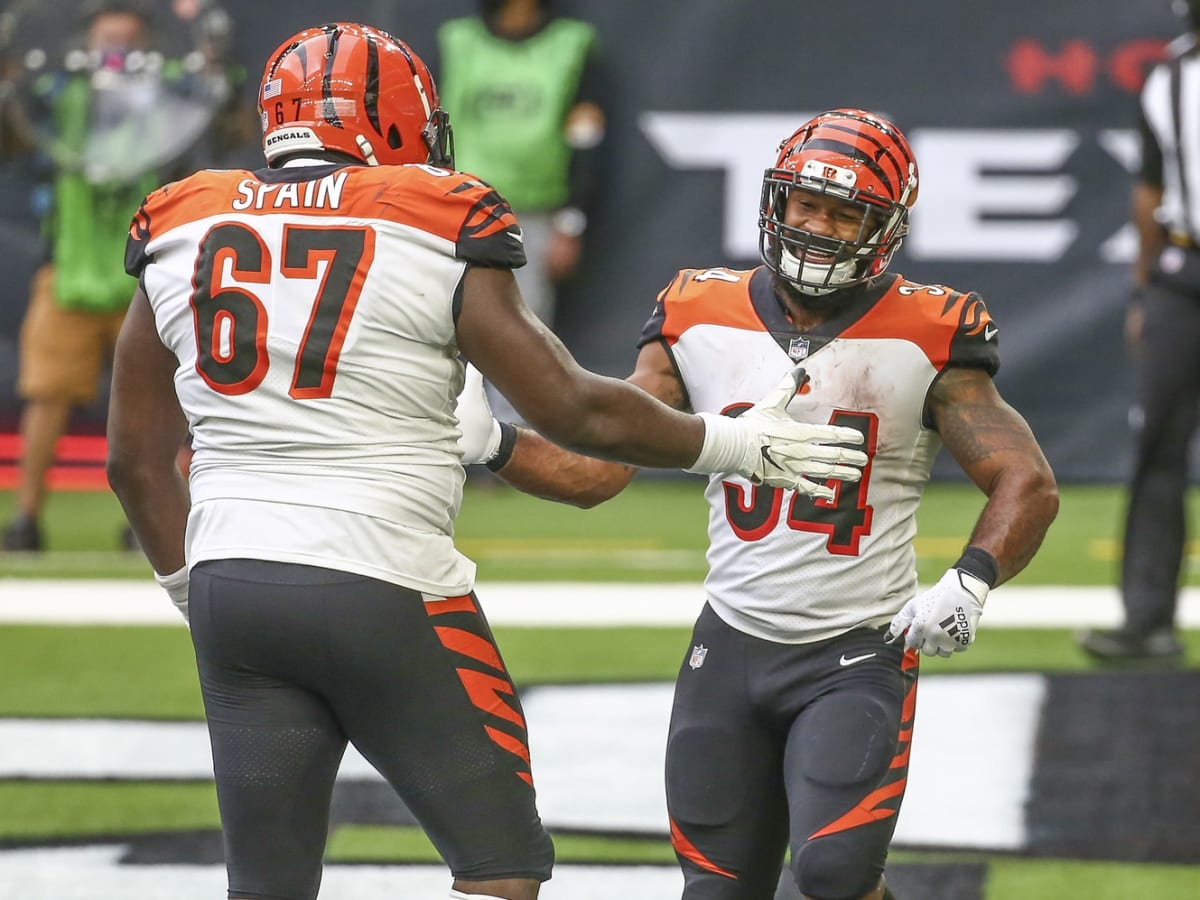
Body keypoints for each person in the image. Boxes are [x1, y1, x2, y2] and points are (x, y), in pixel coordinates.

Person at [104, 23, 869, 900]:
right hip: (381, 580)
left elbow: (134, 459)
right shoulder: (435, 213)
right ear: (394, 121)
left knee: (267, 884)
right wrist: (731, 444)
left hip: (229, 580)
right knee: (502, 867)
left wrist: (184, 586)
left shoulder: (182, 217)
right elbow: (570, 406)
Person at [457, 109, 1059, 900]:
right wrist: (496, 444)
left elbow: (1028, 480)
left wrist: (972, 580)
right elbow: (598, 469)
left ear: (885, 229)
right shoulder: (698, 312)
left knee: (836, 874)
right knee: (716, 890)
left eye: (844, 212)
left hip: (857, 651)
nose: (817, 226)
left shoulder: (928, 332)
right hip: (731, 646)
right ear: (774, 201)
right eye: (806, 203)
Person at [0, 0, 238, 551]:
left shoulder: (173, 97)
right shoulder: (60, 97)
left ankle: (158, 520)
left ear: (147, 49)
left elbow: (219, 131)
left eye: (128, 44)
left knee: (165, 404)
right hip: (68, 272)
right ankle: (26, 520)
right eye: (107, 43)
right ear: (85, 46)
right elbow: (15, 141)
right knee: (47, 398)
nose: (117, 56)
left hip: (149, 275)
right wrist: (12, 83)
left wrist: (214, 68)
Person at [1078, 0, 1200, 663]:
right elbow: (1151, 189)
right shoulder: (1170, 78)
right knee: (1158, 448)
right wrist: (1143, 287)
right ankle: (1147, 620)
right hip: (1184, 276)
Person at [437, 0, 604, 329]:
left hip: (533, 219)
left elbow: (588, 141)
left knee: (522, 336)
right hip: (455, 215)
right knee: (444, 332)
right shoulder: (457, 41)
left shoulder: (572, 44)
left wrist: (570, 223)